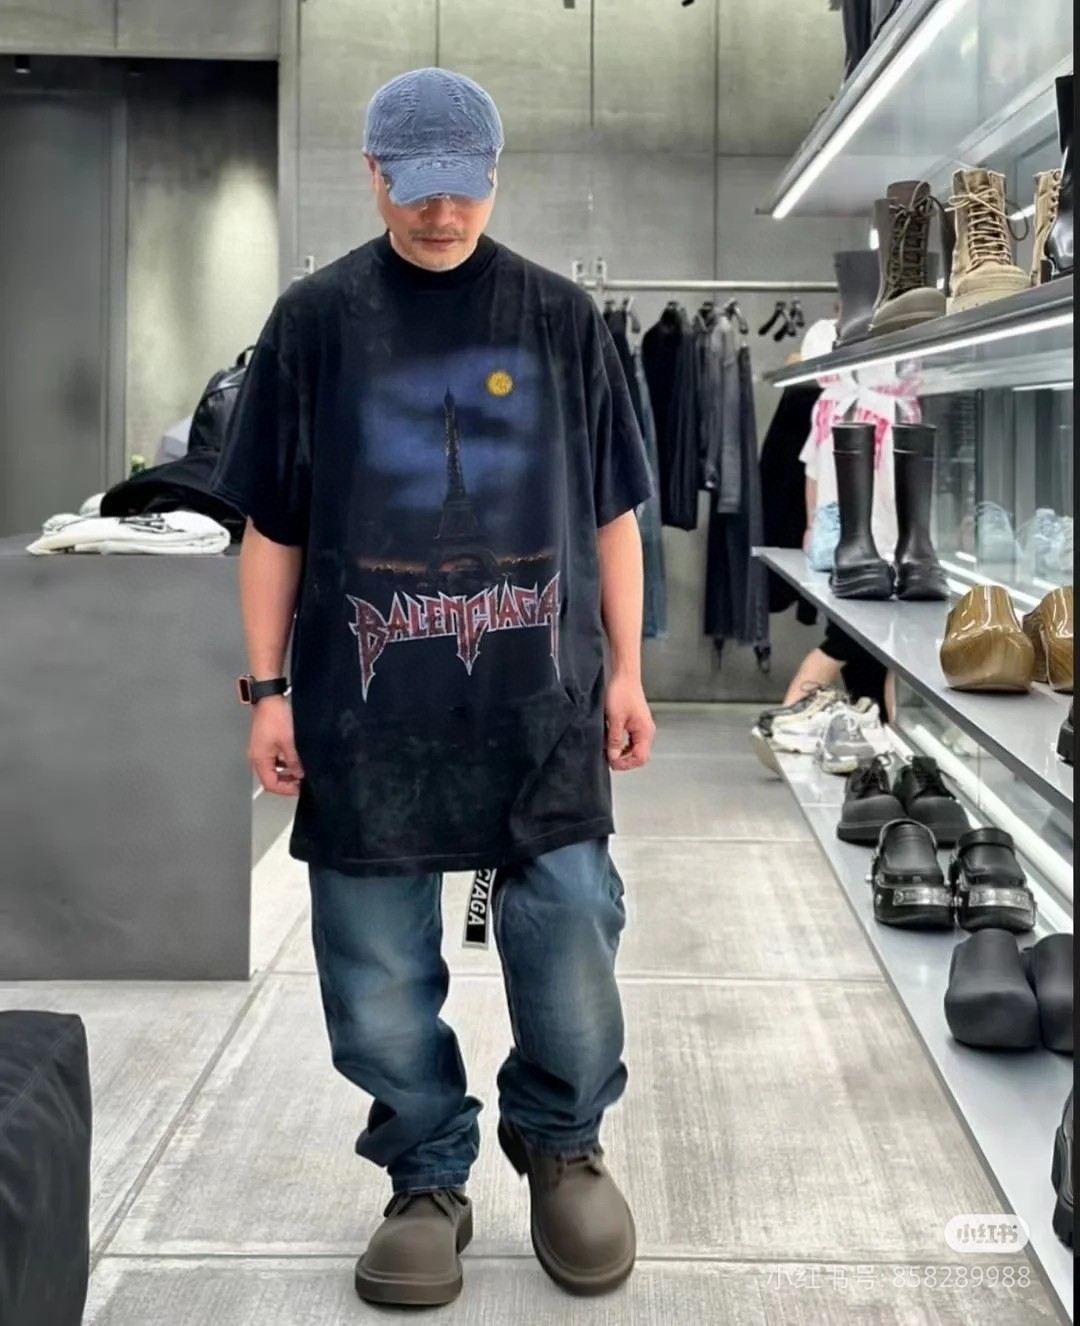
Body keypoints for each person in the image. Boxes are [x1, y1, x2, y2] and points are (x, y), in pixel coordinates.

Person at [212, 67, 656, 1309]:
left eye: (463, 187)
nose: (441, 212)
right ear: (372, 174)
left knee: (572, 928)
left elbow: (614, 514)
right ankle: (426, 1171)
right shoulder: (314, 322)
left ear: (495, 176)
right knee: (372, 967)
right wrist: (266, 688)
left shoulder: (561, 318)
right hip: (364, 710)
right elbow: (272, 525)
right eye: (416, 188)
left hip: (542, 699)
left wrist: (628, 670)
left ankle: (563, 1144)